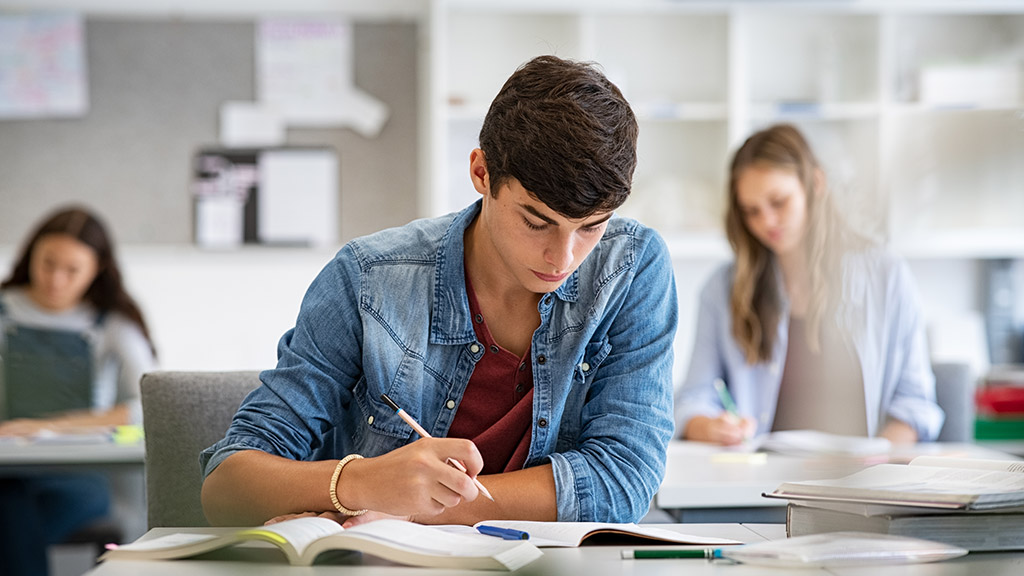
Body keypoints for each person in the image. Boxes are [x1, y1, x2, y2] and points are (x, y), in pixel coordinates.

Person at [200, 55, 677, 528]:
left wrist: (408, 509)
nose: (564, 257)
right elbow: (227, 487)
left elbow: (623, 481)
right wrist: (362, 482)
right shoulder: (369, 279)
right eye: (536, 221)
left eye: (591, 227)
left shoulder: (631, 268)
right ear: (481, 173)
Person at [675, 124, 943, 446]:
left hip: (861, 485)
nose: (767, 222)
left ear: (815, 183)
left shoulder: (887, 276)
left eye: (779, 202)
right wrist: (710, 426)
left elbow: (914, 405)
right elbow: (692, 399)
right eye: (751, 211)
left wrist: (876, 466)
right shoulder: (723, 288)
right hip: (760, 487)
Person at [0, 206, 157, 576]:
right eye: (47, 263)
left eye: (72, 270)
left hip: (82, 477)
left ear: (97, 269)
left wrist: (50, 427)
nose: (55, 279)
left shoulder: (113, 325)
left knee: (12, 518)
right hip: (8, 470)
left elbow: (150, 404)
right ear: (30, 256)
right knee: (9, 504)